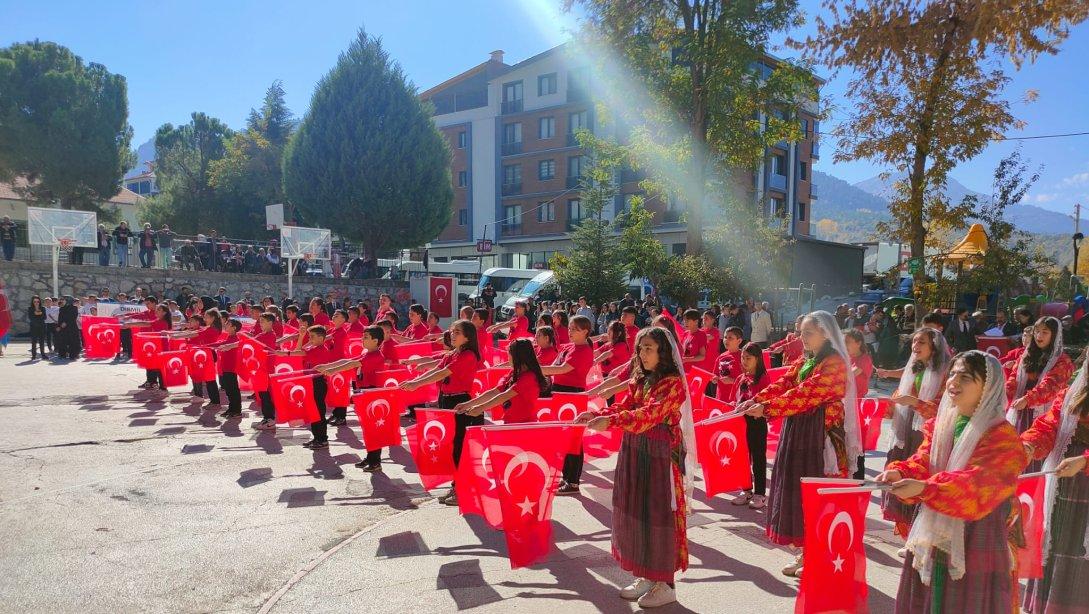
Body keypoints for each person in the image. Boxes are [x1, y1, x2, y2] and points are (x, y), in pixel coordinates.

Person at [877, 351, 1022, 613]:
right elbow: (924, 461)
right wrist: (901, 472)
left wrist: (926, 488)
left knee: (964, 602)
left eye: (965, 377)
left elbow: (978, 483)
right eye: (952, 373)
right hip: (935, 522)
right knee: (929, 595)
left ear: (987, 387)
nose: (953, 381)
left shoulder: (1002, 435)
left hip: (976, 532)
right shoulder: (943, 424)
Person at [576, 326, 697, 608]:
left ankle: (665, 583)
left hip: (659, 455)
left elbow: (650, 414)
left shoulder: (672, 383)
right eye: (640, 348)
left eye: (649, 349)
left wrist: (612, 422)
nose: (642, 354)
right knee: (636, 511)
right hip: (635, 449)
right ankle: (646, 573)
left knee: (658, 515)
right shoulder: (641, 379)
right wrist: (597, 413)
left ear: (663, 352)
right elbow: (626, 406)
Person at [739, 310, 860, 578]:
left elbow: (807, 393)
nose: (801, 337)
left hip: (820, 437)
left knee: (816, 497)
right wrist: (756, 399)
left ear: (826, 333)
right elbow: (785, 383)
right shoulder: (806, 359)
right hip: (800, 430)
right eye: (801, 331)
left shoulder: (835, 363)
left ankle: (819, 557)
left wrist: (767, 407)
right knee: (798, 494)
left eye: (808, 332)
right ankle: (807, 553)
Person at [1019, 349, 1089, 613]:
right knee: (1057, 543)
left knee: (1080, 549)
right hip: (1063, 481)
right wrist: (1028, 446)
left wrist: (1084, 461)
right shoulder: (1075, 390)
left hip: (1082, 477)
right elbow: (1050, 424)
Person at [875, 328, 951, 543]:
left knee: (918, 480)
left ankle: (920, 535)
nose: (915, 346)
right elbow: (899, 395)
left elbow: (944, 407)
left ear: (934, 347)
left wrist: (916, 404)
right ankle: (908, 534)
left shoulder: (946, 373)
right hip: (906, 429)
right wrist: (888, 406)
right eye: (914, 341)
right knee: (899, 478)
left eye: (922, 342)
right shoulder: (914, 368)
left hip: (926, 434)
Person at [401, 319, 481, 506]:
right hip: (446, 399)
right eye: (452, 331)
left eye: (457, 332)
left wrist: (416, 384)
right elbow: (437, 368)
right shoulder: (454, 353)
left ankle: (462, 489)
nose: (452, 335)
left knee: (458, 446)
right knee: (450, 445)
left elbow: (443, 373)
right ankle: (456, 485)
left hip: (459, 401)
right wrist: (417, 380)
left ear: (467, 337)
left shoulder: (468, 355)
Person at [1006, 316, 1074, 472]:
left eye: (1045, 332)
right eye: (1037, 331)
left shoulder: (1062, 361)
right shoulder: (1026, 355)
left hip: (1044, 416)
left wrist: (1029, 399)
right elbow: (1013, 379)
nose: (1039, 336)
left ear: (1055, 335)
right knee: (1015, 452)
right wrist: (1004, 394)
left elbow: (1050, 386)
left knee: (1035, 455)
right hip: (1020, 412)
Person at [316, 325, 387, 471]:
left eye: (366, 337)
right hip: (364, 393)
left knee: (373, 429)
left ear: (375, 341)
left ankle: (375, 461)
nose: (362, 339)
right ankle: (370, 457)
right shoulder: (367, 353)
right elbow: (348, 360)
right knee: (367, 428)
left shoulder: (376, 356)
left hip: (372, 394)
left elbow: (352, 364)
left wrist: (331, 370)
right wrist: (328, 365)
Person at [541, 314, 595, 495]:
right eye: (570, 328)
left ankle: (573, 482)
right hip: (560, 393)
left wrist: (534, 368)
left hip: (573, 395)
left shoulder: (584, 350)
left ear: (585, 331)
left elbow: (562, 369)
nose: (570, 332)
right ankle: (566, 477)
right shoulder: (569, 347)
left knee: (574, 439)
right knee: (564, 438)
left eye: (574, 329)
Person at [455, 338, 547, 424]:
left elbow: (504, 396)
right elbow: (494, 392)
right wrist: (467, 404)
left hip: (525, 425)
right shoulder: (513, 373)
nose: (508, 357)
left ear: (517, 356)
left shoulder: (529, 377)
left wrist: (480, 408)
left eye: (509, 354)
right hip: (509, 422)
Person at [274, 326, 337, 449]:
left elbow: (299, 352)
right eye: (310, 336)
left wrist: (285, 353)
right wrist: (301, 336)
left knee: (318, 412)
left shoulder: (321, 349)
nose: (310, 339)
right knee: (313, 411)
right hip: (310, 382)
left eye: (312, 336)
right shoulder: (313, 347)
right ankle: (317, 438)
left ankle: (322, 440)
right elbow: (299, 350)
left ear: (321, 337)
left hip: (318, 382)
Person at [730, 342, 773, 509]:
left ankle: (760, 494)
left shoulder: (763, 377)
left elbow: (764, 399)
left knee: (758, 459)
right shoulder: (741, 378)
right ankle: (746, 490)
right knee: (742, 459)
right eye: (743, 357)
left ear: (758, 359)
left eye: (748, 358)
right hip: (740, 424)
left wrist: (748, 406)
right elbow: (734, 398)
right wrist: (734, 404)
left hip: (757, 423)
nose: (744, 361)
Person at [26, 295, 47, 360]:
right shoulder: (30, 308)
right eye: (35, 301)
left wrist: (38, 313)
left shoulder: (43, 308)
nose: (36, 303)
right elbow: (31, 318)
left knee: (42, 341)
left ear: (39, 302)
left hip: (42, 327)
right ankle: (34, 355)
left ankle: (43, 354)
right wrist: (37, 314)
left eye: (38, 301)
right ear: (32, 302)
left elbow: (45, 317)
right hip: (34, 327)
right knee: (34, 342)